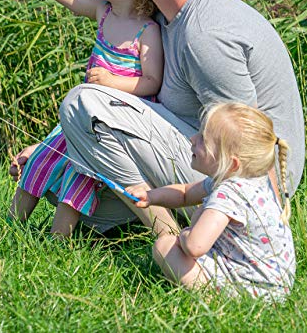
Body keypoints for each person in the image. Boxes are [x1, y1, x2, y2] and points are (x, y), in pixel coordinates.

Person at [10, 0, 305, 236]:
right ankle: (159, 217)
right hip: (196, 154)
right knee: (60, 185)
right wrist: (60, 144)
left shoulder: (205, 35)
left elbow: (246, 139)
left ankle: (166, 234)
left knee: (83, 102)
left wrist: (264, 223)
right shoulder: (164, 16)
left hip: (253, 186)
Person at [6, 0, 163, 237]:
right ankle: (10, 228)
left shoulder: (147, 31)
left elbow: (152, 82)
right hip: (79, 119)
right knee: (38, 162)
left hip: (105, 128)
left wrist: (112, 82)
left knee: (77, 179)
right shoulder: (103, 12)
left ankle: (57, 242)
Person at [126, 103, 296, 300]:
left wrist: (184, 234)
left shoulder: (230, 193)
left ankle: (210, 299)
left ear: (231, 163)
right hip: (274, 286)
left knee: (165, 246)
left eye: (203, 140)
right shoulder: (250, 179)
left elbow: (195, 246)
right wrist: (151, 196)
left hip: (252, 292)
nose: (192, 139)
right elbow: (184, 194)